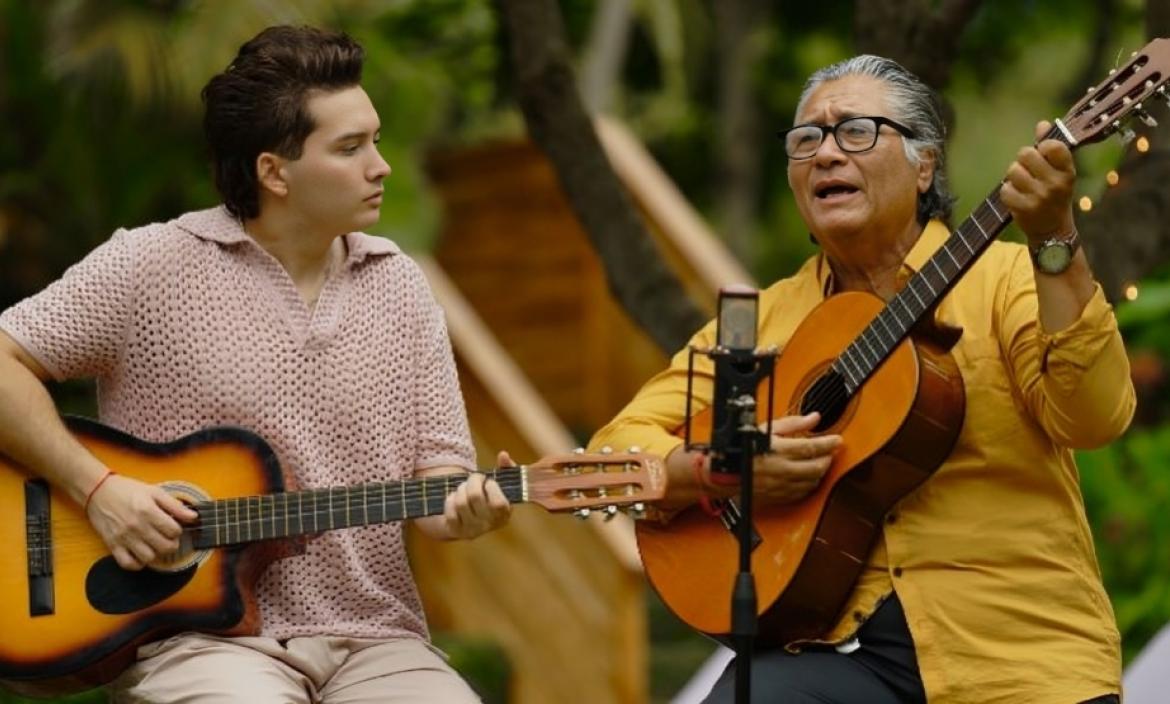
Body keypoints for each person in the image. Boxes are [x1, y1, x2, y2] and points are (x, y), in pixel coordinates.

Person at [591, 54, 1134, 704]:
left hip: (1021, 660)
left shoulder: (1008, 278)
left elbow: (1097, 417)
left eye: (855, 132)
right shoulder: (761, 321)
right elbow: (615, 451)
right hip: (845, 660)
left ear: (924, 164)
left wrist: (1055, 240)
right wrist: (723, 469)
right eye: (806, 139)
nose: (825, 154)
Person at [0, 25, 511, 703]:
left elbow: (438, 480)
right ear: (274, 171)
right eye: (351, 148)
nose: (379, 165)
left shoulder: (402, 287)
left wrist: (470, 509)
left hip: (377, 639)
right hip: (199, 645)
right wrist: (98, 490)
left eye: (377, 140)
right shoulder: (151, 266)